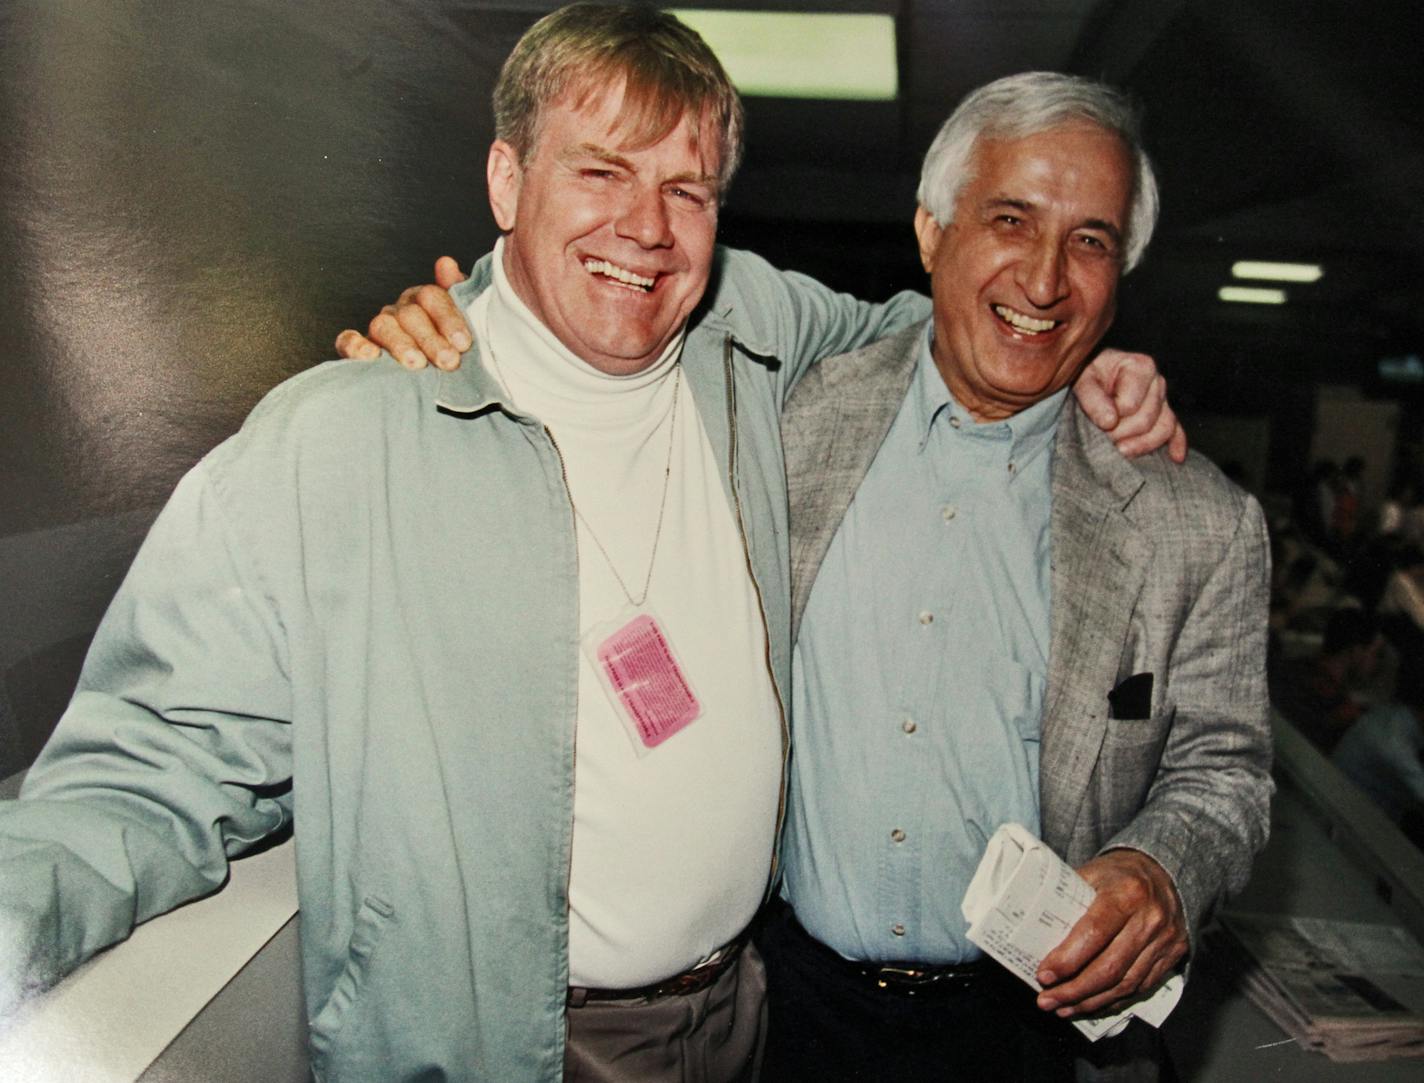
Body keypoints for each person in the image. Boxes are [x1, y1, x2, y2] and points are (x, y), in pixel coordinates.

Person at [0, 7, 1181, 1082]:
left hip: (743, 1017)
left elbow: (924, 329)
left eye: (688, 190)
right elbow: (149, 767)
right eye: (601, 171)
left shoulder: (750, 336)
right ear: (507, 181)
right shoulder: (341, 441)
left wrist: (1080, 367)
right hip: (505, 1046)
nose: (646, 230)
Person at [760, 74, 1273, 1080]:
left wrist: (1161, 867)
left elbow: (1227, 768)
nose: (1043, 282)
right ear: (929, 231)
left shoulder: (1198, 524)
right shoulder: (782, 420)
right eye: (1010, 219)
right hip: (782, 1008)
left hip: (1026, 1038)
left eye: (1088, 240)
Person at [1272, 606, 1382, 754]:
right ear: (1355, 651)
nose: (1375, 662)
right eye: (1375, 653)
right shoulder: (1341, 710)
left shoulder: (1290, 666)